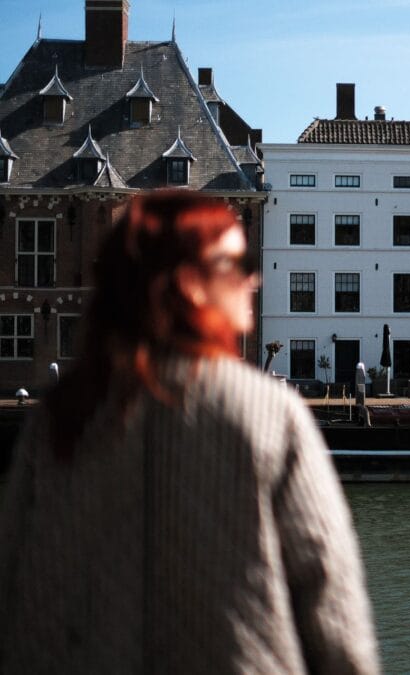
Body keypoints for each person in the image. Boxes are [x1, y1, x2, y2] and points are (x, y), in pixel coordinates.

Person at [0, 190, 380, 674]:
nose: (253, 277)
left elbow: (10, 588)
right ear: (189, 285)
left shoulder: (56, 419)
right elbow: (336, 618)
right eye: (237, 263)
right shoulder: (270, 414)